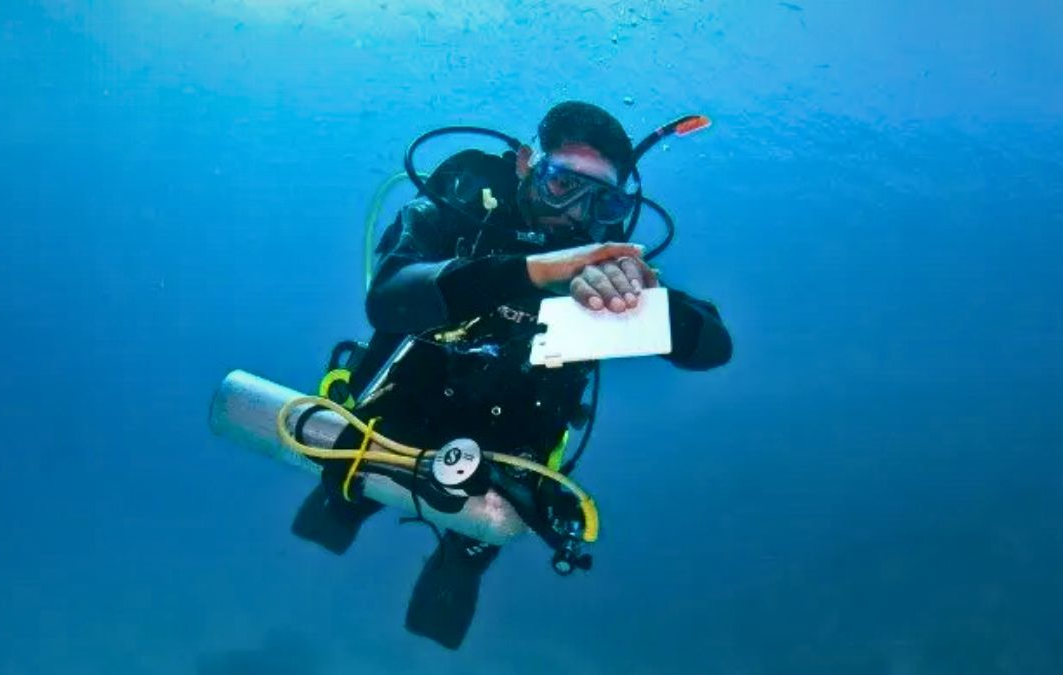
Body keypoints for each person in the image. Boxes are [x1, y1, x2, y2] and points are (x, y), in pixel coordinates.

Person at [291, 101, 732, 650]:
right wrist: (534, 272)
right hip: (406, 406)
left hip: (514, 447)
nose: (574, 214)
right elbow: (388, 299)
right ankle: (294, 603)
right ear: (526, 163)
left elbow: (713, 346)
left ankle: (427, 639)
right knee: (335, 509)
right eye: (561, 184)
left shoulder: (608, 258)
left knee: (463, 566)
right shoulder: (464, 200)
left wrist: (650, 302)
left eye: (601, 199)